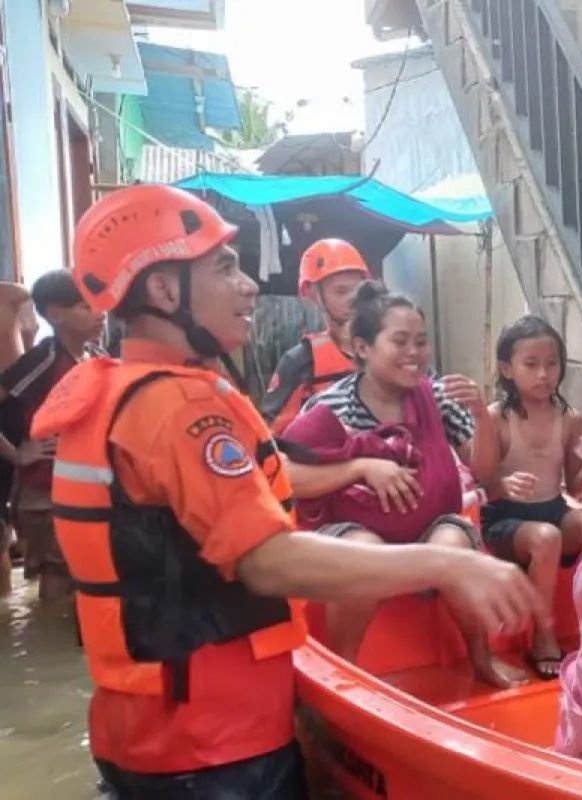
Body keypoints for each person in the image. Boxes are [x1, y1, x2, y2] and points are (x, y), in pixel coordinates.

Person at [32, 185, 546, 798]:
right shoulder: (178, 409)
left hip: (156, 733)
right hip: (212, 746)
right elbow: (266, 558)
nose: (249, 285)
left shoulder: (122, 391)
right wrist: (447, 562)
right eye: (224, 267)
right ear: (166, 291)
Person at [284, 280, 527, 688]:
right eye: (400, 341)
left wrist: (481, 415)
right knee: (364, 552)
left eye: (421, 341)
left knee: (450, 545)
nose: (415, 354)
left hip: (429, 524)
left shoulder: (436, 398)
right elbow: (285, 477)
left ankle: (482, 658)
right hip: (357, 531)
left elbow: (485, 471)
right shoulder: (329, 406)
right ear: (363, 347)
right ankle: (347, 675)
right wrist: (360, 467)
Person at [482, 315, 582, 679]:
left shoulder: (570, 419)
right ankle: (543, 635)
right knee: (546, 536)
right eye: (531, 365)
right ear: (508, 368)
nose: (543, 374)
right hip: (506, 520)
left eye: (552, 364)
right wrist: (504, 485)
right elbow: (483, 481)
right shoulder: (496, 418)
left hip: (552, 510)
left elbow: (574, 488)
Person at [0, 270, 105, 601]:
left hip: (77, 488)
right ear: (55, 315)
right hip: (43, 491)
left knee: (78, 574)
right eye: (86, 306)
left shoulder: (96, 358)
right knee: (58, 574)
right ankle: (48, 646)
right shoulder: (44, 359)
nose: (100, 312)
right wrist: (17, 453)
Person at [261, 238, 369, 435]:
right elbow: (273, 440)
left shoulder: (388, 348)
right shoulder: (301, 362)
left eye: (358, 290)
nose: (353, 300)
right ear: (313, 295)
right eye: (341, 291)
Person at [0, 281, 38, 595]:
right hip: (14, 398)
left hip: (16, 400)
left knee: (24, 507)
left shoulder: (14, 294)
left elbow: (31, 333)